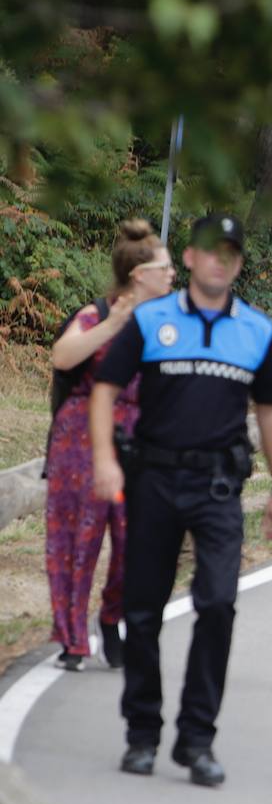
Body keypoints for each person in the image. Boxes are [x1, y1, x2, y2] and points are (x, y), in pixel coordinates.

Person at [91, 213, 272, 788]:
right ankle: (142, 734)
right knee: (142, 611)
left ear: (238, 262)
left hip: (218, 489)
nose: (219, 261)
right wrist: (106, 459)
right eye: (210, 250)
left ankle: (197, 739)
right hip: (153, 481)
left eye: (230, 252)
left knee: (218, 606)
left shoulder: (256, 330)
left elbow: (270, 412)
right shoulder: (150, 320)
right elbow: (105, 390)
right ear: (190, 257)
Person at [45, 219, 173, 671]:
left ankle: (111, 616)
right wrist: (115, 324)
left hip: (140, 439)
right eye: (166, 268)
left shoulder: (171, 322)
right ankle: (73, 639)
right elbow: (63, 355)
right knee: (74, 541)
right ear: (141, 275)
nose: (173, 275)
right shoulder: (96, 313)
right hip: (79, 439)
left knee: (135, 541)